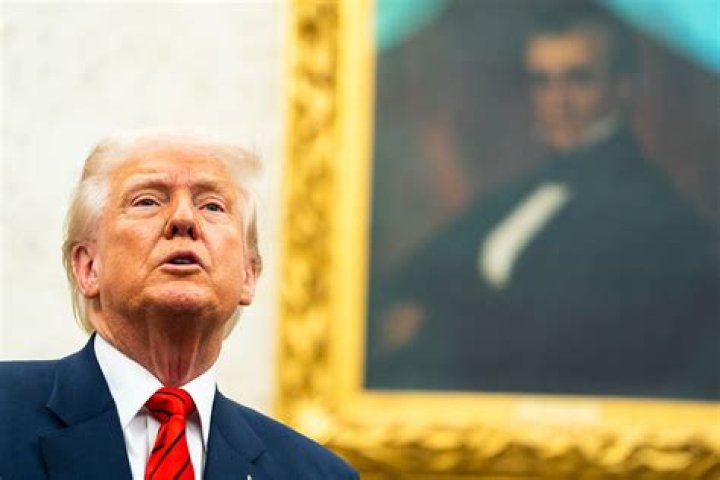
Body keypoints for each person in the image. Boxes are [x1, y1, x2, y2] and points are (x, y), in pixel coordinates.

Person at [367, 5, 718, 398]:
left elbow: (566, 346)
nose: (558, 101)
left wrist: (434, 325)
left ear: (624, 87)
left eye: (579, 79)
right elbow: (415, 280)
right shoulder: (520, 195)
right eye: (542, 81)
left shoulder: (655, 213)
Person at [0, 132, 358, 479]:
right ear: (88, 267)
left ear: (248, 276)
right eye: (147, 201)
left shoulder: (314, 473)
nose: (184, 219)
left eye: (212, 206)